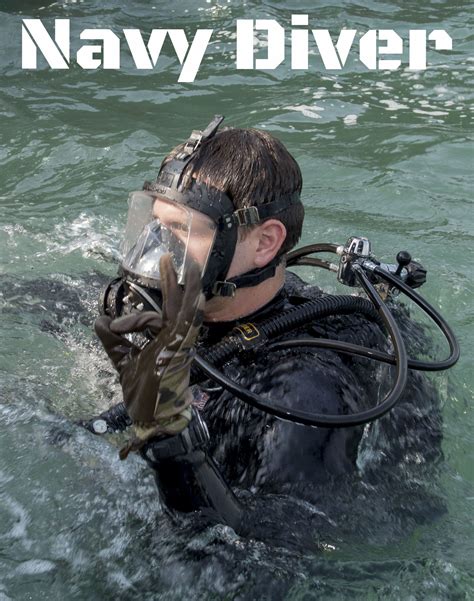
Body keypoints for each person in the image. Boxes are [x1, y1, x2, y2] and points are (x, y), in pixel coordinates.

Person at [91, 116, 444, 533]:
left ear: (265, 243)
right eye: (155, 224)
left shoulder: (304, 398)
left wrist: (175, 452)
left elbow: (264, 561)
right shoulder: (191, 297)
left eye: (181, 230)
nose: (157, 249)